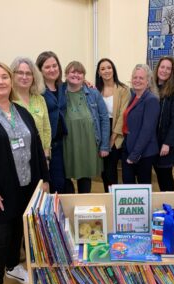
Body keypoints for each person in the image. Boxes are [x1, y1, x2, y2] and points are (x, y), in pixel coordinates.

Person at [0, 62, 49, 284]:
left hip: (26, 185)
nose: (0, 81)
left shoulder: (21, 111)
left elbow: (36, 148)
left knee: (18, 229)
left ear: (11, 80)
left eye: (4, 77)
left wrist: (43, 182)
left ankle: (12, 267)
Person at [63, 61, 110, 193]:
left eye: (80, 72)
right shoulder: (60, 92)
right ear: (66, 74)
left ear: (84, 76)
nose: (76, 75)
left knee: (85, 178)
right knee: (65, 177)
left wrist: (104, 145)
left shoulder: (93, 93)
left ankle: (83, 206)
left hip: (89, 145)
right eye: (73, 71)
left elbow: (104, 118)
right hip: (67, 145)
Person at [36, 51, 74, 193]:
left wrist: (86, 83)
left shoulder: (63, 87)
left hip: (63, 142)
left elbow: (78, 85)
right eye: (47, 67)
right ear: (39, 70)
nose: (52, 69)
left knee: (65, 180)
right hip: (47, 145)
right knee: (54, 183)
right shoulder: (37, 91)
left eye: (54, 65)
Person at [95, 58, 131, 192]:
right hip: (100, 131)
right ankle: (108, 195)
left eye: (109, 67)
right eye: (102, 69)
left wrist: (112, 138)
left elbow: (123, 115)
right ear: (99, 72)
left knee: (112, 169)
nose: (106, 71)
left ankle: (115, 198)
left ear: (113, 69)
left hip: (117, 132)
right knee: (105, 171)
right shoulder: (95, 90)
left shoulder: (123, 89)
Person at [122, 64, 160, 184]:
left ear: (148, 81)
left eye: (141, 78)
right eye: (135, 77)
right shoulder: (133, 96)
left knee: (142, 189)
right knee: (128, 185)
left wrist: (134, 155)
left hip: (143, 153)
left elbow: (146, 131)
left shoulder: (151, 100)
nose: (137, 80)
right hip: (129, 147)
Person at [153, 56, 174, 191]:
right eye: (162, 67)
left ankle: (170, 206)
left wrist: (168, 143)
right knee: (158, 174)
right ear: (157, 68)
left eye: (168, 68)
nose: (164, 71)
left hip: (166, 142)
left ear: (173, 72)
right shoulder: (152, 87)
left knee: (165, 175)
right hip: (152, 140)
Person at [11, 57, 51, 157]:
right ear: (12, 75)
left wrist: (46, 155)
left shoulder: (39, 99)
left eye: (28, 73)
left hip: (39, 155)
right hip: (17, 157)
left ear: (34, 77)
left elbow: (46, 129)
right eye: (20, 73)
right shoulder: (8, 100)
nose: (24, 77)